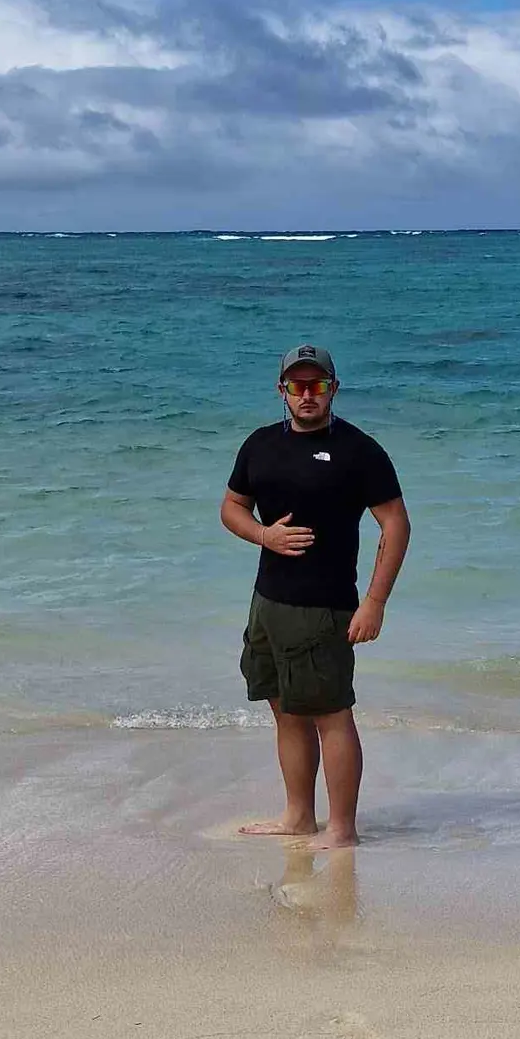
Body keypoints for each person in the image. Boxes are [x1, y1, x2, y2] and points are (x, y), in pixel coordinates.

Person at [221, 343, 410, 850]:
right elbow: (232, 507)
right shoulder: (260, 444)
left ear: (333, 389)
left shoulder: (358, 450)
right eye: (298, 385)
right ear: (282, 390)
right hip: (267, 603)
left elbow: (396, 523)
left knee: (332, 715)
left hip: (325, 607)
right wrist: (264, 535)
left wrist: (375, 602)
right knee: (285, 711)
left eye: (318, 385)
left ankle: (343, 829)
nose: (308, 395)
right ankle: (299, 816)